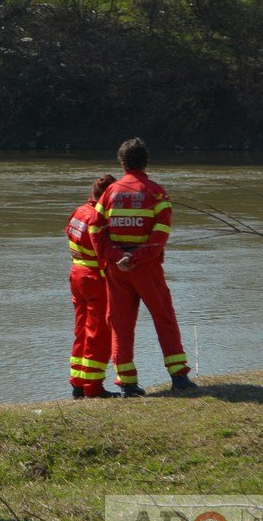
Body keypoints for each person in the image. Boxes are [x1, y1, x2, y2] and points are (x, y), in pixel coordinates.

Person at [90, 138, 196, 396]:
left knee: (121, 325)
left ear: (122, 163)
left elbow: (95, 229)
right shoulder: (156, 192)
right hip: (146, 267)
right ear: (146, 161)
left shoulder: (110, 193)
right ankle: (179, 377)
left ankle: (127, 384)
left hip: (118, 269)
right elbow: (160, 236)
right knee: (164, 319)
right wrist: (135, 258)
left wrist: (116, 256)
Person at [67, 174, 119, 399]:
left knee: (81, 331)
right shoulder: (98, 218)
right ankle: (94, 387)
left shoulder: (78, 212)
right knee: (99, 335)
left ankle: (78, 383)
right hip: (95, 279)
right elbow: (104, 252)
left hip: (77, 276)